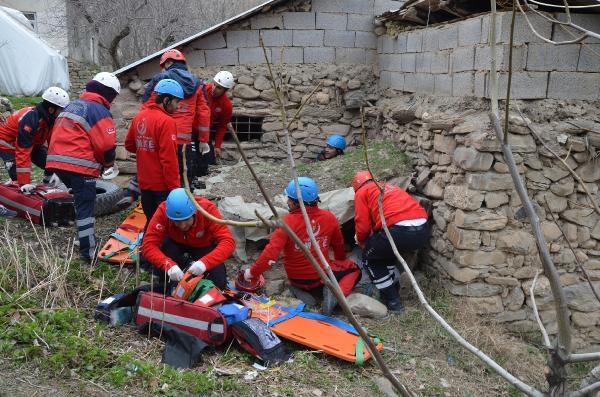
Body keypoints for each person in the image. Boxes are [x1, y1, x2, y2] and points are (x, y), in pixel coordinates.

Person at [243, 177, 360, 314]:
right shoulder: (329, 218)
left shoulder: (286, 223)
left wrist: (251, 273)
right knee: (355, 270)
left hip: (296, 279)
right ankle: (337, 297)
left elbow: (270, 255)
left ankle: (302, 292)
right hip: (321, 278)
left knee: (321, 272)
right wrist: (340, 261)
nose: (287, 202)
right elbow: (338, 245)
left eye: (289, 199)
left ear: (295, 202)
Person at [117, 49, 211, 209]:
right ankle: (181, 205)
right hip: (184, 141)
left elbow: (147, 107)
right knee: (183, 176)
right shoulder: (197, 83)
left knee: (153, 169)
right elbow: (203, 113)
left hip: (158, 134)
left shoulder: (160, 81)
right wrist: (203, 140)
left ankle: (137, 194)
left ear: (168, 63)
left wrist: (143, 128)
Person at [46, 72, 120, 263]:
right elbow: (106, 146)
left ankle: (82, 237)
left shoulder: (72, 105)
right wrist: (108, 165)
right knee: (86, 206)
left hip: (56, 162)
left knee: (80, 201)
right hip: (79, 165)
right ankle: (89, 251)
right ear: (109, 93)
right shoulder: (99, 111)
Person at [352, 171, 429, 314]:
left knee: (370, 260)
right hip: (422, 228)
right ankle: (393, 285)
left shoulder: (361, 192)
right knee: (384, 253)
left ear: (356, 186)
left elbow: (362, 226)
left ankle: (393, 301)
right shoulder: (390, 187)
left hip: (398, 230)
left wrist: (362, 242)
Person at [142, 188, 236, 291]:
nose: (182, 226)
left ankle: (189, 265)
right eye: (176, 221)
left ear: (194, 212)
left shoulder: (207, 209)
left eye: (186, 219)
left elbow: (228, 242)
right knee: (164, 277)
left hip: (202, 245)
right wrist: (168, 265)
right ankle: (183, 265)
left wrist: (205, 263)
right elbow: (148, 245)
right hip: (175, 242)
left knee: (219, 283)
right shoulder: (163, 210)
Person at [124, 79, 183, 221]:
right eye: (177, 102)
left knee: (151, 222)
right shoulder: (166, 122)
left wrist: (146, 151)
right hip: (162, 186)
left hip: (144, 184)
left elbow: (129, 145)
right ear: (166, 100)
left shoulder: (139, 116)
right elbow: (169, 160)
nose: (178, 107)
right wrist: (175, 189)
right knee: (165, 226)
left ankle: (149, 242)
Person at [0, 87, 70, 190]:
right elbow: (23, 151)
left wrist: (57, 169)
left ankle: (49, 186)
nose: (63, 113)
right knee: (17, 177)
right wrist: (24, 183)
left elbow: (54, 145)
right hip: (8, 142)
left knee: (49, 162)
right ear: (51, 109)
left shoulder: (51, 119)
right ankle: (15, 190)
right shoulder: (31, 119)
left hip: (31, 142)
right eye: (61, 110)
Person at [196, 71, 234, 176]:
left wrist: (217, 145)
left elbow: (222, 127)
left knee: (207, 159)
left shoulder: (226, 105)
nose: (214, 89)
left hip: (205, 133)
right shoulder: (202, 90)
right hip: (191, 129)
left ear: (225, 90)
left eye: (219, 88)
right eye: (214, 84)